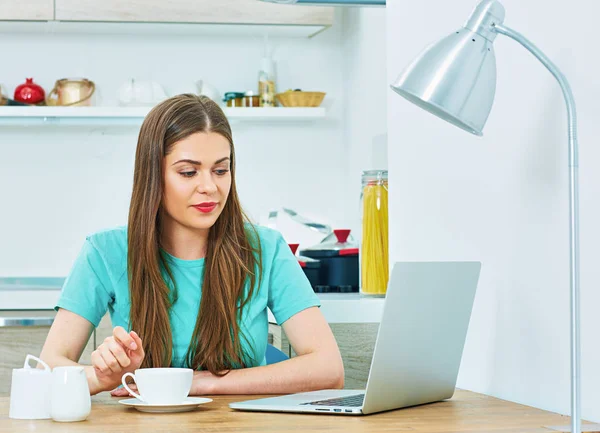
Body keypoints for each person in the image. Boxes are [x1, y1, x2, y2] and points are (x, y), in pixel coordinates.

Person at [39, 94, 344, 396]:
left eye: (220, 170)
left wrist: (202, 382)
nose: (210, 187)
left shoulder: (266, 248)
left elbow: (328, 369)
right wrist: (100, 378)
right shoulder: (105, 251)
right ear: (153, 175)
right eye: (188, 172)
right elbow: (47, 367)